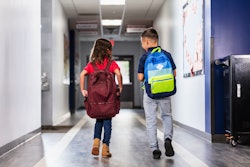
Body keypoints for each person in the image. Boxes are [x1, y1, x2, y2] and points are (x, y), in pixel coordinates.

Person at [80, 38, 123, 158]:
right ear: (107, 51)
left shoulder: (92, 65)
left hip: (95, 100)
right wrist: (120, 87)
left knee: (98, 121)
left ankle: (95, 143)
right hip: (109, 98)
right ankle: (105, 148)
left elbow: (82, 74)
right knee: (107, 122)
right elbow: (118, 73)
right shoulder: (111, 63)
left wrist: (83, 89)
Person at [137, 28, 176, 159]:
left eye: (142, 43)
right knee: (166, 116)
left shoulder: (144, 57)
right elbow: (174, 73)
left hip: (150, 93)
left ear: (147, 42)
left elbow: (140, 77)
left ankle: (155, 149)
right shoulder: (167, 54)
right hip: (165, 91)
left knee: (151, 120)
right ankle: (168, 140)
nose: (142, 45)